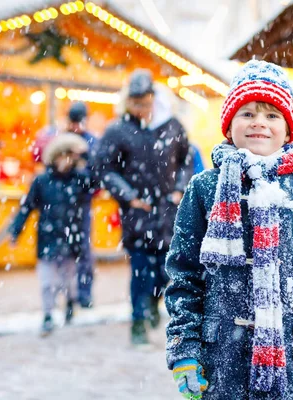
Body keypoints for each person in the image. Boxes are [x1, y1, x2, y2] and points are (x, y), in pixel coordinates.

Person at [164, 60, 293, 400]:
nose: (259, 124)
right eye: (247, 113)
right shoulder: (204, 189)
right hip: (221, 361)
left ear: (288, 127)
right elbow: (184, 276)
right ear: (229, 124)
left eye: (271, 115)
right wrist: (185, 350)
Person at [95, 69, 193, 346]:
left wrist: (179, 189)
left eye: (145, 102)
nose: (141, 108)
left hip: (167, 211)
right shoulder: (118, 130)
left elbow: (187, 159)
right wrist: (129, 196)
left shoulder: (172, 126)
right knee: (140, 270)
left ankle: (152, 303)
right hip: (137, 213)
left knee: (166, 271)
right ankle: (138, 323)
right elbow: (105, 169)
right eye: (135, 102)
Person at [9, 134, 97, 336]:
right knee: (47, 282)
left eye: (71, 156)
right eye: (65, 155)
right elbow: (27, 206)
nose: (67, 160)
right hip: (48, 238)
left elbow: (96, 179)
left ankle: (69, 304)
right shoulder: (41, 181)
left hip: (70, 238)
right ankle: (48, 315)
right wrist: (15, 230)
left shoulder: (79, 179)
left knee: (67, 281)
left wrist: (87, 155)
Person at [66, 101, 99, 309]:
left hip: (82, 203)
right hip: (63, 205)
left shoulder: (91, 143)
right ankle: (69, 294)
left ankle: (84, 293)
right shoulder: (63, 140)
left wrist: (83, 167)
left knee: (83, 251)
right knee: (67, 252)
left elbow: (96, 175)